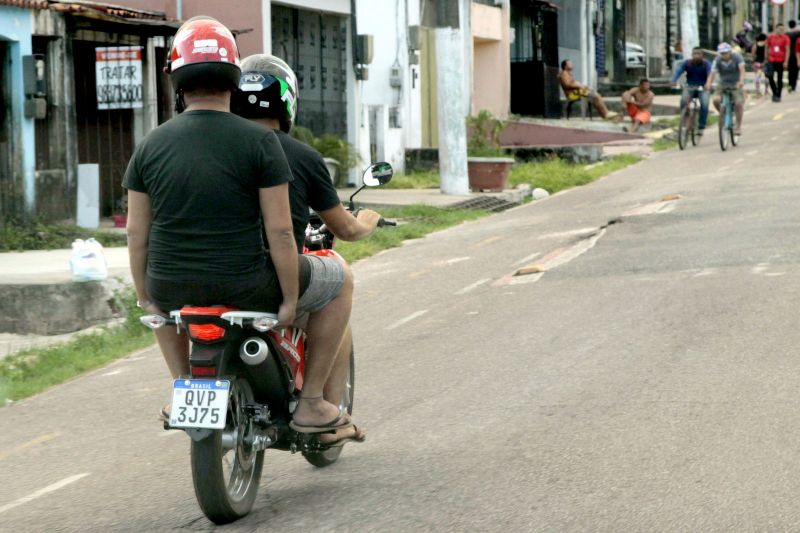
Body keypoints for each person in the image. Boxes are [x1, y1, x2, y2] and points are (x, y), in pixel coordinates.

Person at [124, 16, 354, 435]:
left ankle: (183, 387)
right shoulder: (262, 143)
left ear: (176, 79)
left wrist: (146, 296)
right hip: (249, 285)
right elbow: (282, 232)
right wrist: (287, 300)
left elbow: (136, 234)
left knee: (165, 309)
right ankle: (313, 404)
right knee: (338, 278)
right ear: (233, 77)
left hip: (169, 285)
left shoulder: (149, 145)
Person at [232, 54, 384, 444]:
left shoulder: (215, 150)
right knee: (338, 281)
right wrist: (368, 220)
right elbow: (343, 229)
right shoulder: (301, 156)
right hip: (270, 277)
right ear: (287, 102)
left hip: (208, 273)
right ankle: (315, 404)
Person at [705, 42, 746, 135]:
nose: (724, 55)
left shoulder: (737, 57)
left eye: (726, 53)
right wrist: (708, 83)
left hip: (735, 83)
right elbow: (712, 73)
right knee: (716, 100)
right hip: (723, 83)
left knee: (738, 103)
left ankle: (738, 126)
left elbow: (742, 70)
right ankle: (723, 114)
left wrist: (741, 81)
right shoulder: (717, 60)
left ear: (730, 52)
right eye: (722, 53)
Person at [671, 47, 712, 136]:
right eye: (694, 54)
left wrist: (708, 84)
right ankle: (684, 120)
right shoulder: (687, 63)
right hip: (690, 86)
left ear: (702, 55)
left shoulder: (706, 64)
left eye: (698, 54)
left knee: (704, 104)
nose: (696, 56)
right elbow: (678, 71)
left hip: (703, 87)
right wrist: (674, 81)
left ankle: (701, 126)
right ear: (692, 55)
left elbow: (710, 74)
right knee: (683, 100)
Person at [766, 22, 790, 101]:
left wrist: (786, 61)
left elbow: (787, 50)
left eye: (783, 30)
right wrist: (766, 58)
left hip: (781, 60)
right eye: (780, 29)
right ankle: (774, 91)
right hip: (771, 60)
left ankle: (778, 95)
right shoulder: (770, 37)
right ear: (776, 29)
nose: (781, 31)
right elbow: (767, 47)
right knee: (770, 76)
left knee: (780, 78)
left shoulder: (785, 38)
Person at [751, 33, 769, 97]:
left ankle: (758, 92)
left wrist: (753, 62)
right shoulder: (766, 45)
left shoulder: (755, 45)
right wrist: (765, 62)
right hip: (764, 62)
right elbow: (766, 55)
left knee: (757, 77)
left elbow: (753, 55)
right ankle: (766, 91)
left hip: (756, 62)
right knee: (766, 77)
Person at [788, 20, 800, 92]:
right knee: (795, 71)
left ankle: (790, 85)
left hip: (789, 54)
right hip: (797, 53)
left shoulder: (786, 34)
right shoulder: (798, 33)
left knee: (790, 70)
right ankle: (793, 86)